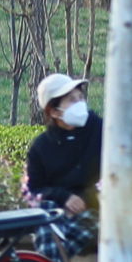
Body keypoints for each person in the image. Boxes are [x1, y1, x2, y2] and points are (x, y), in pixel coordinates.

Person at [23, 72, 103, 212]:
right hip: (59, 213)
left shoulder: (102, 130)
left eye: (81, 97)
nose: (80, 103)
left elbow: (118, 173)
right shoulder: (41, 147)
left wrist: (86, 199)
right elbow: (34, 190)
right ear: (54, 112)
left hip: (102, 210)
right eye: (72, 100)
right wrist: (63, 197)